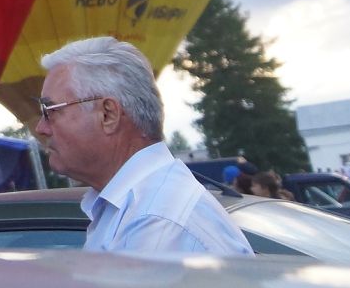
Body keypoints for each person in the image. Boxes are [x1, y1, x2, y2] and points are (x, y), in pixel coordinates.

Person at [33, 36, 252, 255]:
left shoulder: (156, 223)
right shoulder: (143, 206)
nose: (40, 128)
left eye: (50, 111)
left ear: (108, 114)